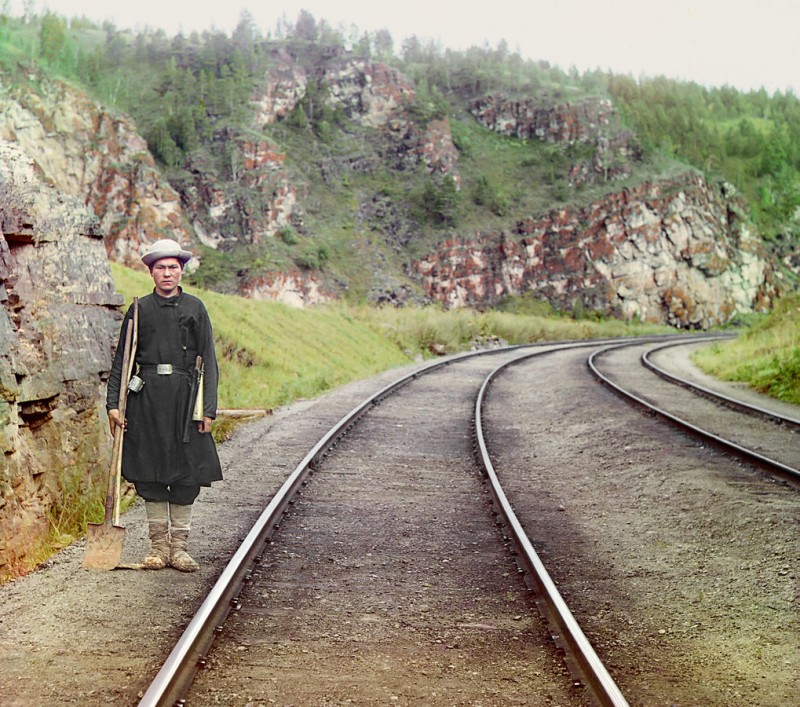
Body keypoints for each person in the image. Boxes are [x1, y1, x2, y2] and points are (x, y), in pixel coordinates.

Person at [107, 238, 222, 572]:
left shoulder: (195, 308)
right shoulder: (139, 309)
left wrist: (208, 409)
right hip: (146, 400)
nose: (167, 273)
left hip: (186, 400)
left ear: (181, 270)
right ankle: (158, 549)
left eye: (173, 267)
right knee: (149, 470)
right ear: (151, 272)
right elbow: (121, 362)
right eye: (161, 268)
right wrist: (114, 403)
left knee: (187, 472)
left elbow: (210, 361)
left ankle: (180, 549)